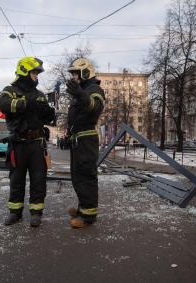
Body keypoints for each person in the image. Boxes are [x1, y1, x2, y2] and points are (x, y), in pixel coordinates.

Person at [0, 56, 55, 227]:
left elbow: (48, 118)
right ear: (24, 71)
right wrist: (26, 103)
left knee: (39, 179)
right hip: (18, 143)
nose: (37, 76)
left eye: (37, 73)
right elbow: (3, 104)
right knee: (16, 180)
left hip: (37, 143)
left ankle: (36, 213)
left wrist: (49, 114)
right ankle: (15, 213)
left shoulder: (40, 95)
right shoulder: (9, 90)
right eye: (34, 72)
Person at [66, 58, 105, 228]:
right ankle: (83, 208)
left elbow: (94, 108)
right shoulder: (83, 90)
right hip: (79, 139)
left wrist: (79, 93)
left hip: (87, 139)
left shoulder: (95, 89)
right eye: (73, 73)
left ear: (86, 72)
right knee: (78, 176)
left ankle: (88, 216)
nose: (74, 77)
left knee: (86, 177)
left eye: (76, 73)